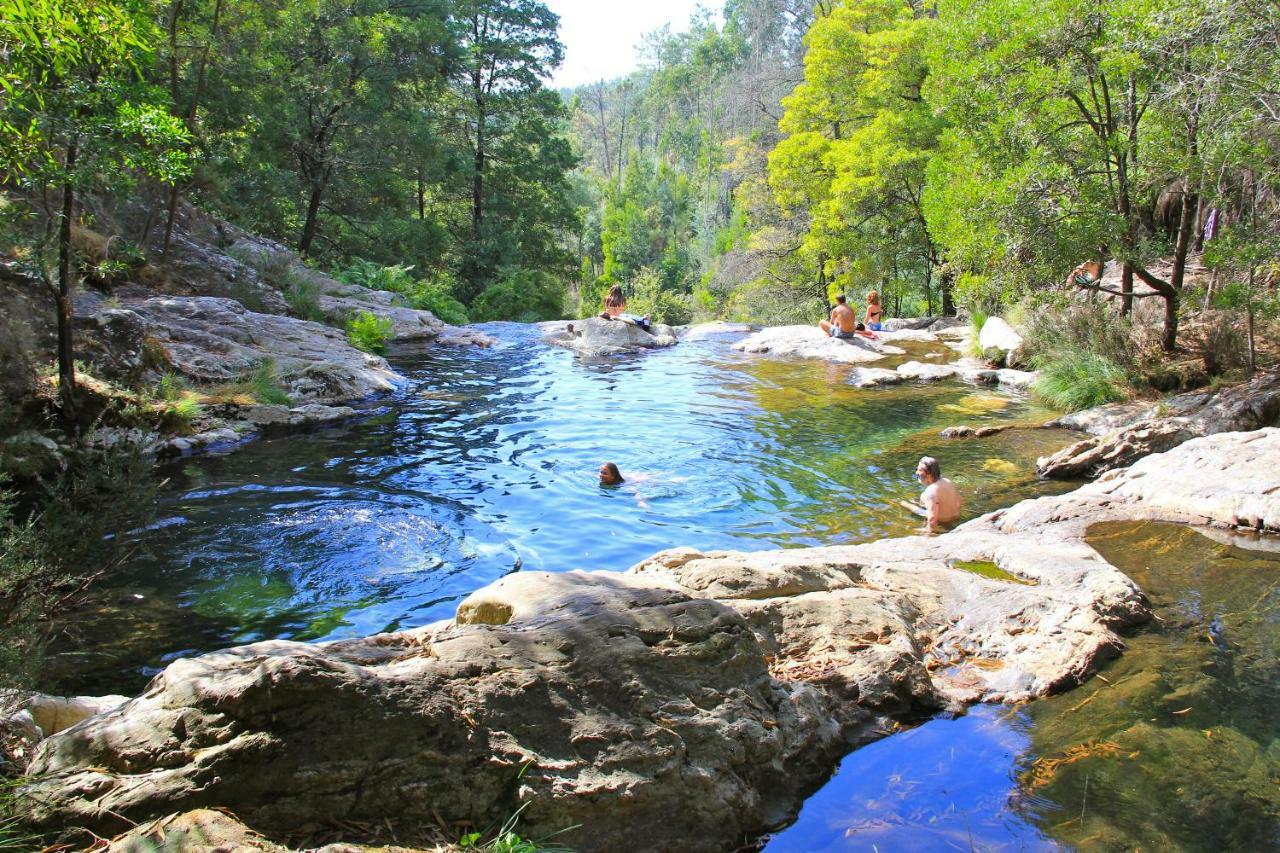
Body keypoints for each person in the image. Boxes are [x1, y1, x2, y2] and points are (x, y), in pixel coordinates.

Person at [907, 456, 962, 531]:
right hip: (956, 519)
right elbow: (959, 501)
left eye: (919, 470)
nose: (917, 472)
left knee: (909, 507)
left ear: (929, 474)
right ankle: (911, 504)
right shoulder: (947, 481)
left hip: (942, 523)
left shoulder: (930, 492)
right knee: (918, 504)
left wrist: (928, 534)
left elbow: (932, 519)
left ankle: (905, 504)